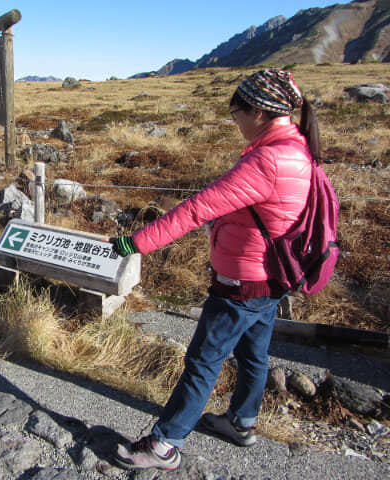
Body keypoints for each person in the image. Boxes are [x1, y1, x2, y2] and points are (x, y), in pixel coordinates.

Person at [110, 69, 320, 470]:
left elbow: (196, 209)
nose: (235, 120)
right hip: (272, 279)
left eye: (237, 111)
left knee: (203, 361)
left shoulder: (267, 160)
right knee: (254, 354)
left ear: (259, 111)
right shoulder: (299, 150)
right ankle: (241, 422)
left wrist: (134, 243)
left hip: (240, 281)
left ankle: (164, 445)